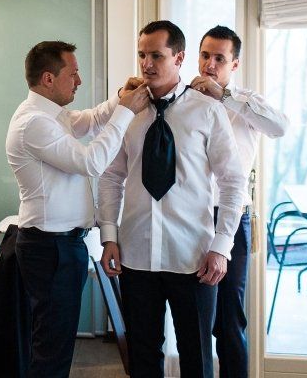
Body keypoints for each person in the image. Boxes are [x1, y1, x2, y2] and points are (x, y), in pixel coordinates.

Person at [98, 20, 246, 378]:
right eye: (141, 55)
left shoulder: (207, 110)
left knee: (196, 357)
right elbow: (110, 175)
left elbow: (233, 180)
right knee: (143, 358)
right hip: (136, 255)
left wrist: (222, 245)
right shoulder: (126, 113)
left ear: (179, 58)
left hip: (193, 258)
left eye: (156, 55)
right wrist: (109, 236)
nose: (146, 63)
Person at [6, 40, 149, 378]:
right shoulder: (34, 123)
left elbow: (90, 120)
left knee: (54, 344)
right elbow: (91, 161)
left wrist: (119, 99)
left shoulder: (52, 116)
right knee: (51, 351)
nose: (79, 81)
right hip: (50, 248)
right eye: (73, 73)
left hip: (58, 245)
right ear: (48, 78)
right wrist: (126, 111)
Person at [189, 25, 288, 378]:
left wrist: (225, 98)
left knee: (229, 321)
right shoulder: (183, 97)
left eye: (219, 58)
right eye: (205, 55)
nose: (210, 64)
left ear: (234, 64)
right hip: (189, 218)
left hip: (231, 219)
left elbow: (280, 127)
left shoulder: (246, 101)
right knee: (195, 322)